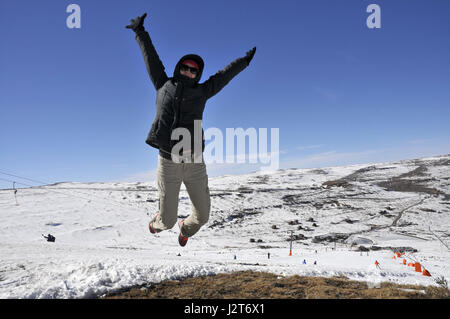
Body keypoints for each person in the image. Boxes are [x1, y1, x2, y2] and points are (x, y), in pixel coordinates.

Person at [126, 13, 256, 247]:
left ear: (198, 75)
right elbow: (151, 59)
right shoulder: (163, 84)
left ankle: (184, 229)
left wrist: (244, 62)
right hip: (168, 162)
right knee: (166, 220)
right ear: (179, 68)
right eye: (185, 67)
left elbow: (223, 76)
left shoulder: (202, 92)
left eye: (193, 70)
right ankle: (156, 224)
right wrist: (140, 32)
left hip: (195, 161)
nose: (188, 72)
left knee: (203, 216)